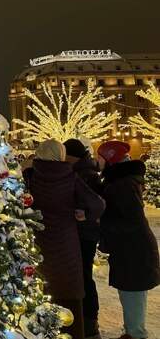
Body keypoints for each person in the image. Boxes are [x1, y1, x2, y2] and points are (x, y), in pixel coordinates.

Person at [23, 139, 105, 339]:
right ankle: (72, 331)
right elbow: (97, 204)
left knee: (42, 288)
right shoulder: (71, 176)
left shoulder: (30, 177)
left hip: (39, 243)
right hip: (67, 243)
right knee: (68, 291)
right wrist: (84, 214)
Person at [98, 141, 159, 339]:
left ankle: (135, 335)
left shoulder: (121, 185)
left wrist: (100, 222)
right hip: (131, 250)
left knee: (133, 295)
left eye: (101, 157)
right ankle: (132, 332)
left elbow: (129, 221)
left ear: (110, 160)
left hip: (134, 251)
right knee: (130, 294)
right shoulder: (121, 181)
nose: (97, 160)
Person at [64, 138, 104, 339]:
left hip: (85, 234)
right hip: (83, 233)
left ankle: (90, 320)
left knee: (85, 277)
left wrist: (85, 214)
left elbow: (98, 204)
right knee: (83, 276)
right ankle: (87, 319)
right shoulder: (83, 170)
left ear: (72, 156)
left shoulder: (84, 174)